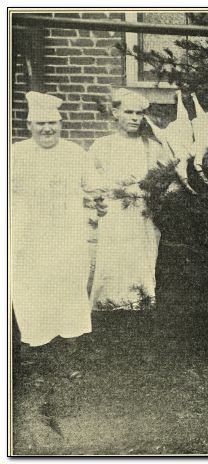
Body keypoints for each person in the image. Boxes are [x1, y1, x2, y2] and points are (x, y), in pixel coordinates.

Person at [11, 92, 95, 346]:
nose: (47, 129)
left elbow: (94, 187)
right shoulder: (14, 154)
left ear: (60, 124)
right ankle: (34, 346)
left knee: (69, 285)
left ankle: (71, 346)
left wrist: (97, 202)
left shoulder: (75, 153)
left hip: (67, 234)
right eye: (40, 123)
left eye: (52, 123)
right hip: (28, 236)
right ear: (29, 126)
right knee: (31, 287)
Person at [88, 89, 168, 311]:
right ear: (115, 113)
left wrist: (147, 189)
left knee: (142, 265)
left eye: (139, 113)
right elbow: (88, 182)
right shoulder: (101, 146)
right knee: (113, 265)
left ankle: (141, 310)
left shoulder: (152, 147)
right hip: (114, 215)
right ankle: (108, 311)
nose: (135, 118)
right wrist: (115, 185)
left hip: (143, 216)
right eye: (129, 112)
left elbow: (164, 182)